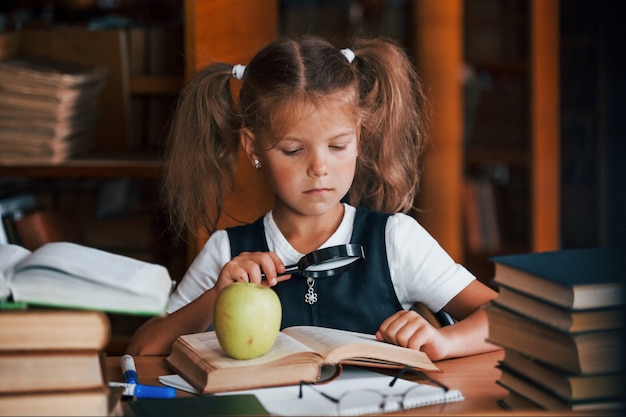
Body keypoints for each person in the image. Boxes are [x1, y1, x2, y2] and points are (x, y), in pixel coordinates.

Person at [127, 34, 499, 359]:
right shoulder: (228, 253)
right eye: (292, 150)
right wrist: (216, 297)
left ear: (359, 138)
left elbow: (512, 320)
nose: (319, 167)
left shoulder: (395, 240)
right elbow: (141, 351)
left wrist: (446, 341)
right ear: (253, 148)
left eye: (338, 145)